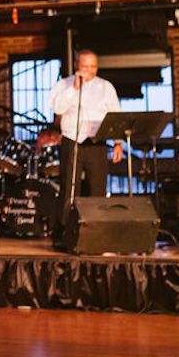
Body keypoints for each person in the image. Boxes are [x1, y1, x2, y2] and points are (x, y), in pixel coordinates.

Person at [49, 49, 123, 239]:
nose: (89, 70)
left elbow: (115, 115)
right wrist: (74, 88)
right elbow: (57, 108)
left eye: (93, 66)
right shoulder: (63, 85)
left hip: (97, 142)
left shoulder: (106, 87)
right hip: (72, 141)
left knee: (98, 187)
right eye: (85, 66)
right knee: (70, 188)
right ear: (76, 65)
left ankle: (96, 233)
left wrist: (118, 143)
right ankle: (67, 232)